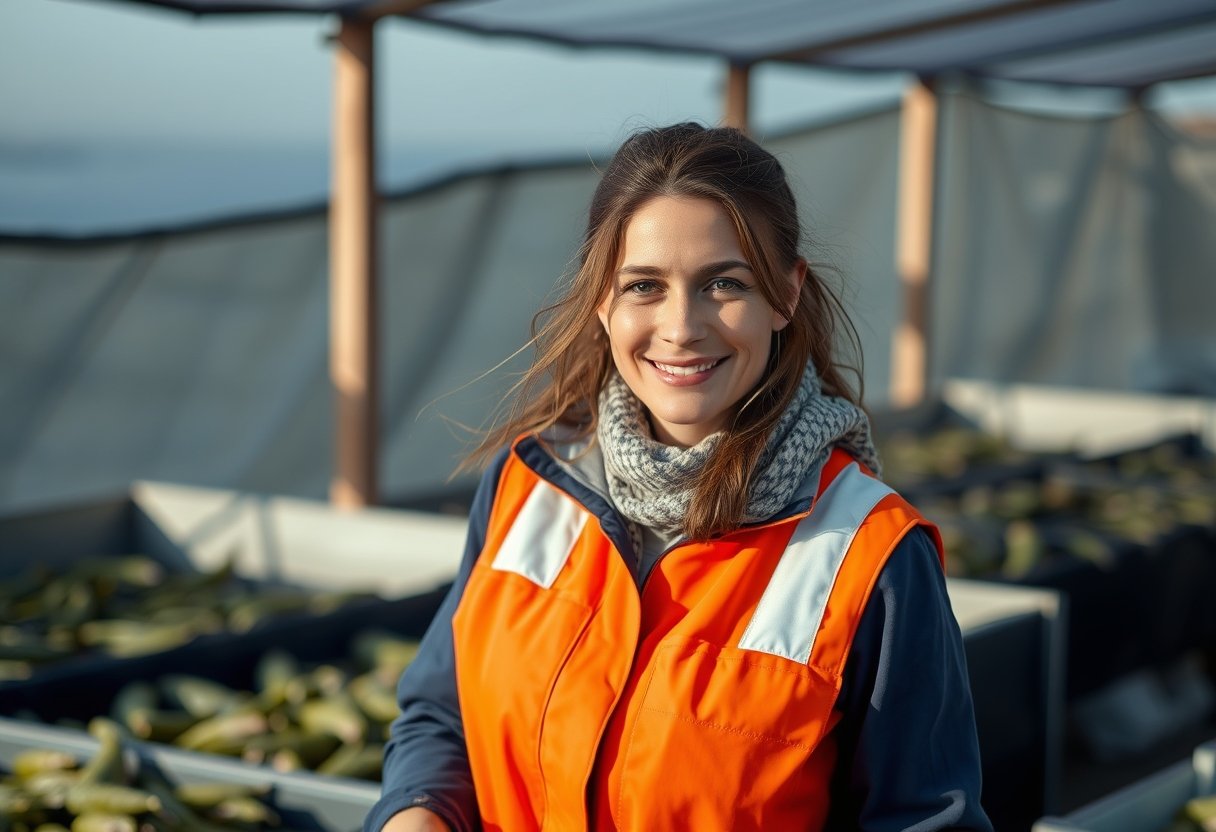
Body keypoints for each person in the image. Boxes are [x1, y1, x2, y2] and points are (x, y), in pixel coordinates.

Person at [365, 123, 994, 832]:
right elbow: (441, 713)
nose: (681, 327)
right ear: (601, 300)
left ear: (786, 295)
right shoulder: (526, 483)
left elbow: (923, 818)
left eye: (724, 284)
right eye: (644, 286)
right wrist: (417, 812)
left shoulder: (874, 557)